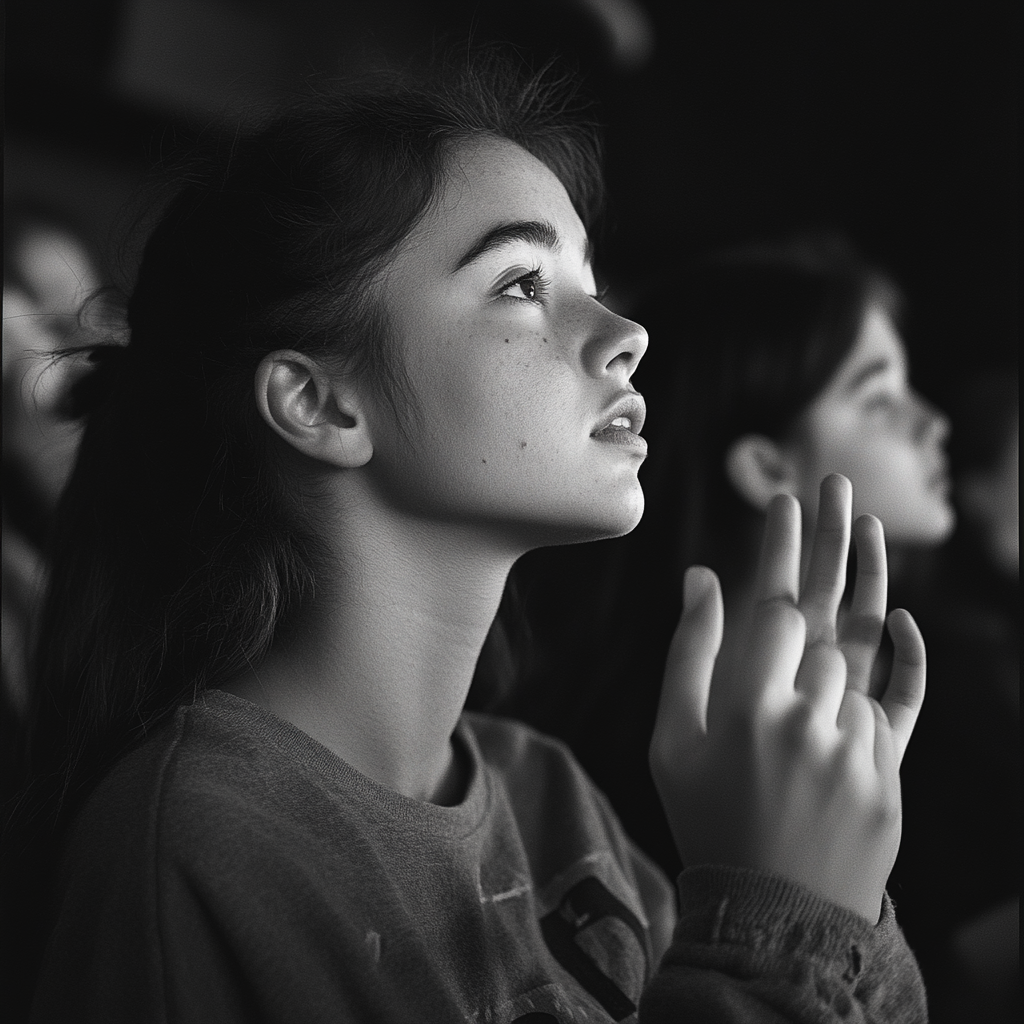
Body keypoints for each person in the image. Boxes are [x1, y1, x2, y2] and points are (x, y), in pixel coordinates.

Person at [12, 61, 928, 1022]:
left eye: (592, 280)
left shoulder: (550, 802)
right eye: (524, 282)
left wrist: (837, 906)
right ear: (319, 402)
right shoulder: (201, 846)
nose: (627, 333)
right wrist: (781, 920)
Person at [550, 234, 954, 884]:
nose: (934, 423)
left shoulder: (936, 663)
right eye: (879, 399)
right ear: (768, 468)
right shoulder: (602, 765)